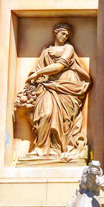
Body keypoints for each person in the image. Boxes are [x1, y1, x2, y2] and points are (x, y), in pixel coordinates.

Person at [20, 22, 92, 158]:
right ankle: (41, 148)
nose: (65, 36)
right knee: (45, 114)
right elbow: (39, 68)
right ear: (56, 32)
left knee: (64, 119)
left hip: (67, 86)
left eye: (67, 35)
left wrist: (38, 73)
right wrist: (35, 79)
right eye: (63, 33)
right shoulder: (46, 51)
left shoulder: (68, 48)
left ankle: (57, 148)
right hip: (48, 85)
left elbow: (59, 66)